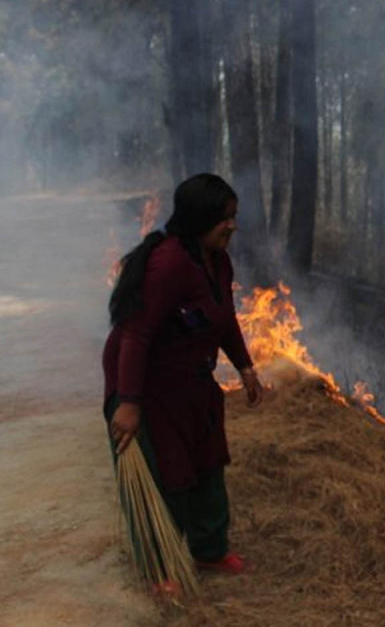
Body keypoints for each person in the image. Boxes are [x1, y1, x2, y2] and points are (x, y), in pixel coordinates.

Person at [104, 173, 265, 579]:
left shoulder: (219, 261)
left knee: (208, 461)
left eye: (234, 216)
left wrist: (245, 366)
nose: (232, 225)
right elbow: (136, 335)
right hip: (148, 386)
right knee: (167, 475)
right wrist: (127, 403)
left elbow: (223, 319)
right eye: (223, 218)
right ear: (199, 218)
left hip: (191, 381)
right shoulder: (169, 263)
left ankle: (209, 550)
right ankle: (161, 569)